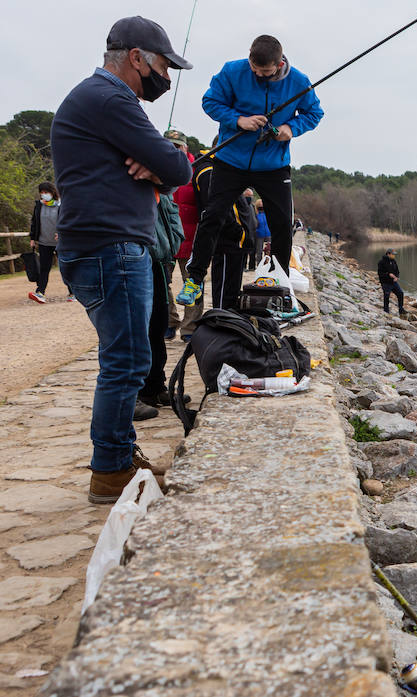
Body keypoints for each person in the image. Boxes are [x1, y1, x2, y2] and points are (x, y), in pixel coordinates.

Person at [51, 15, 193, 503]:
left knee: (126, 357)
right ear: (136, 58)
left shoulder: (97, 99)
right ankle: (111, 468)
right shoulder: (111, 98)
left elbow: (167, 165)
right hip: (110, 248)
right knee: (127, 360)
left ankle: (114, 459)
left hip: (99, 246)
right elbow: (178, 167)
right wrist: (166, 161)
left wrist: (158, 162)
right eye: (163, 66)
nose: (166, 78)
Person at [176, 34, 323, 305]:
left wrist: (290, 129)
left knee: (281, 224)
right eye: (254, 69)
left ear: (279, 64)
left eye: (264, 72)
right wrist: (238, 120)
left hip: (274, 164)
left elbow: (314, 113)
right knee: (212, 215)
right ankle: (195, 279)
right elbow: (210, 102)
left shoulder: (299, 82)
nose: (258, 75)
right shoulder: (232, 71)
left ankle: (280, 282)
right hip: (231, 160)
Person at [137, 136, 186, 418]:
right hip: (142, 261)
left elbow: (172, 223)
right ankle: (138, 391)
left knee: (158, 326)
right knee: (139, 330)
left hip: (161, 263)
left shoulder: (165, 191)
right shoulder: (139, 184)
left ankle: (156, 386)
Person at [169, 132, 202, 339]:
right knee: (161, 284)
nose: (174, 150)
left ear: (186, 149)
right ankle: (169, 321)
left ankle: (191, 327)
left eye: (178, 146)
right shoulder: (156, 169)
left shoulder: (197, 171)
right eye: (169, 146)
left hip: (192, 240)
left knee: (192, 283)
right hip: (165, 240)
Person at [27, 182, 71, 303]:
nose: (44, 195)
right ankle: (40, 292)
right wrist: (32, 238)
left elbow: (67, 221)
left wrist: (62, 232)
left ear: (52, 192)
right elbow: (34, 222)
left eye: (46, 192)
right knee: (44, 268)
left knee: (65, 267)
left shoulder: (61, 205)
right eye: (41, 193)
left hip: (60, 242)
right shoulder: (39, 206)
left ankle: (72, 292)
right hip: (43, 242)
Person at [378, 248, 403, 314]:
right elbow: (380, 273)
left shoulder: (394, 261)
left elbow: (397, 271)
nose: (394, 256)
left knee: (400, 293)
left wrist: (396, 277)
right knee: (386, 296)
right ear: (388, 254)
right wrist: (388, 274)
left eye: (394, 255)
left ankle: (401, 309)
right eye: (393, 254)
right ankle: (386, 311)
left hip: (394, 282)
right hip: (385, 282)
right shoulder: (381, 262)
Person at [252, 197, 270, 268]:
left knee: (268, 250)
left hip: (268, 233)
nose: (261, 206)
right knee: (259, 251)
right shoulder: (256, 214)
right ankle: (259, 265)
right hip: (259, 234)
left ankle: (267, 264)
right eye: (259, 204)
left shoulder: (267, 213)